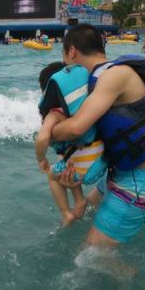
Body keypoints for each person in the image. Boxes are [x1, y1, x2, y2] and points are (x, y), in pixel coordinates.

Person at [48, 24, 145, 247]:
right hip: (121, 176)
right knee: (86, 213)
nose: (64, 66)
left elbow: (76, 128)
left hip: (141, 182)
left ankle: (132, 277)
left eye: (63, 56)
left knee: (93, 256)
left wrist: (46, 132)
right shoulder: (99, 81)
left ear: (72, 51)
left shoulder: (115, 76)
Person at [35, 62, 107, 226]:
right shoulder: (86, 105)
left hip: (84, 170)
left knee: (53, 175)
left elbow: (42, 138)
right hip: (101, 159)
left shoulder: (54, 114)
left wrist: (41, 159)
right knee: (66, 156)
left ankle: (67, 212)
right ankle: (79, 201)